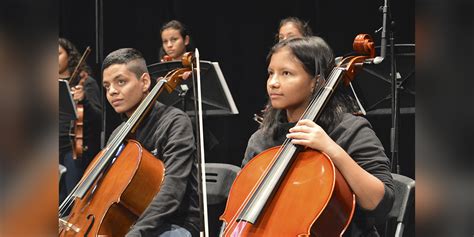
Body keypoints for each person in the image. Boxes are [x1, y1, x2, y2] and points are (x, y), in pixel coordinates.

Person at [242, 37, 394, 236]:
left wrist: (331, 149)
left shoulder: (349, 129)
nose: (274, 83)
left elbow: (379, 203)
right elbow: (241, 206)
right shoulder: (261, 140)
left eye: (286, 73)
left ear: (316, 81)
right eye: (271, 73)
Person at [101, 48, 200, 237]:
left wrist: (137, 232)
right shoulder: (118, 135)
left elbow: (172, 190)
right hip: (130, 222)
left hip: (174, 223)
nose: (112, 91)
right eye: (107, 86)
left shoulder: (174, 122)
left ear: (144, 82)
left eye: (121, 82)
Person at [58, 38, 102, 204]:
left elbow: (98, 118)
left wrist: (84, 100)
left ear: (69, 56)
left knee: (72, 203)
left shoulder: (85, 83)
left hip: (74, 151)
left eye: (58, 54)